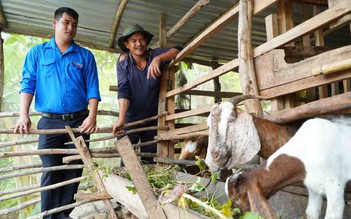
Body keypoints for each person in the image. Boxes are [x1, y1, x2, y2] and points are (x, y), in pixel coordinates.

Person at [13, 7, 101, 219]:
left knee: (74, 170)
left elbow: (92, 88)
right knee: (51, 170)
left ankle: (64, 215)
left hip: (79, 121)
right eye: (66, 23)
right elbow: (28, 84)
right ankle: (50, 215)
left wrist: (92, 115)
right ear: (55, 24)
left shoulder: (85, 56)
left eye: (74, 24)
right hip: (49, 122)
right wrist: (23, 114)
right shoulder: (37, 53)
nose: (70, 28)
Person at [112, 24, 182, 164]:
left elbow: (179, 49)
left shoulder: (154, 55)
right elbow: (124, 90)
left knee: (149, 160)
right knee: (127, 160)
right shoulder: (124, 63)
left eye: (142, 39)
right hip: (131, 119)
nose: (139, 44)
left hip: (153, 119)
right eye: (134, 41)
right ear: (127, 45)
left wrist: (158, 59)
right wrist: (121, 119)